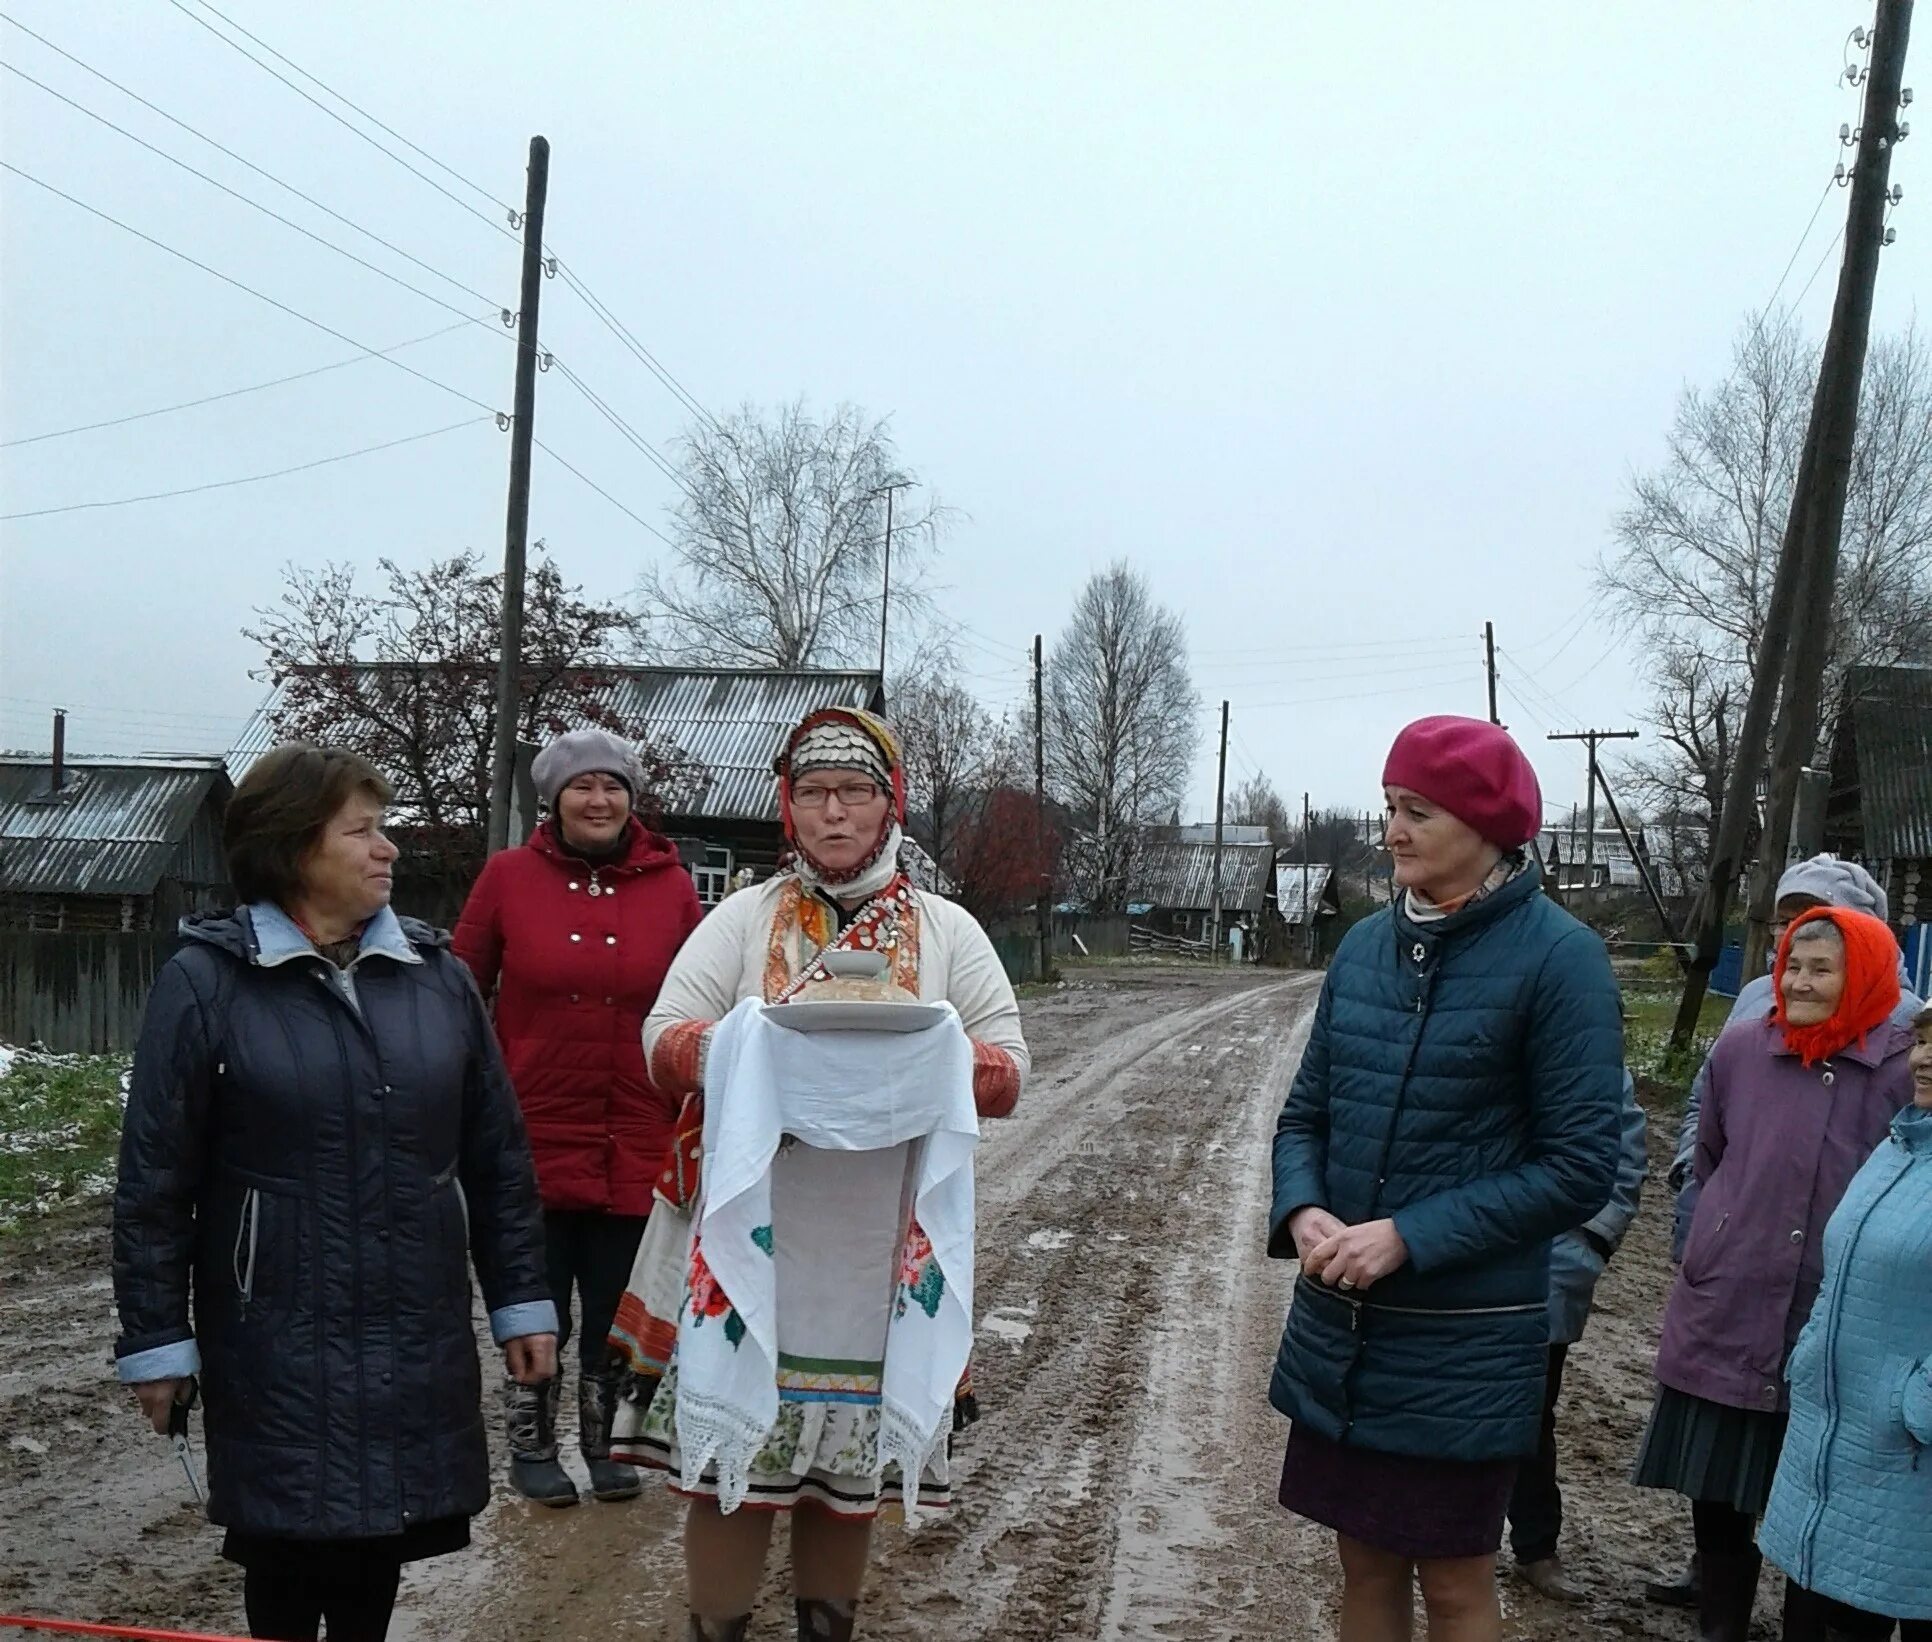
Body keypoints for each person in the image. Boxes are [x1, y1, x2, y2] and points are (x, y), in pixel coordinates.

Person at [112, 743, 556, 1642]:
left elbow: (498, 1160)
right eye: (361, 831)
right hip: (275, 1326)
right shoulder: (206, 982)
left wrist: (522, 1303)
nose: (386, 848)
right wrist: (157, 1339)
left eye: (382, 829)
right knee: (285, 1541)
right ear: (291, 847)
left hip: (411, 1318)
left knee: (377, 1545)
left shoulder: (438, 980)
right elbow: (156, 1180)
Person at [613, 706, 1028, 1642]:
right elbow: (659, 1041)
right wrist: (749, 1050)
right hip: (745, 1231)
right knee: (732, 1480)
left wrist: (925, 1063)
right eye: (813, 794)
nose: (834, 814)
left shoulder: (947, 929)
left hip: (877, 1252)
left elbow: (1008, 1067)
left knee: (845, 1477)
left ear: (892, 807)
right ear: (785, 808)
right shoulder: (743, 916)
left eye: (855, 793)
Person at [1268, 715, 1624, 1642]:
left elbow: (1581, 1166)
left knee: (1459, 1580)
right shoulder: (1363, 948)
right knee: (1364, 1564)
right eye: (1389, 807)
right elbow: (1308, 1113)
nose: (1391, 830)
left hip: (1462, 1341)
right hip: (1346, 1324)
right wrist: (1304, 1209)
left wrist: (1408, 1237)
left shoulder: (1561, 960)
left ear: (1486, 824)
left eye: (1416, 811)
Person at [1646, 856, 1921, 1613]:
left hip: (1840, 1306)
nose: (1796, 979)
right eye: (1789, 958)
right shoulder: (1745, 1042)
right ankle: (1721, 1618)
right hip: (1736, 1288)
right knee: (1720, 1475)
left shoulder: (1905, 1055)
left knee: (1821, 1488)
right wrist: (1706, 1228)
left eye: (1820, 966)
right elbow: (1710, 1150)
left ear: (1865, 957)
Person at [454, 728, 702, 1507]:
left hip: (636, 1130)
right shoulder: (506, 877)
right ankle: (531, 1441)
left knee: (613, 1302)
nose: (599, 800)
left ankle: (607, 1442)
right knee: (532, 1300)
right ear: (553, 798)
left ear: (632, 797)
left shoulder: (673, 888)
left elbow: (701, 1002)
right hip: (528, 1129)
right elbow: (458, 994)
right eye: (581, 786)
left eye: (613, 786)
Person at [1758, 1001, 1932, 1642]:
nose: (1925, 1056)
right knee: (1816, 1607)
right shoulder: (1902, 1144)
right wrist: (1810, 1359)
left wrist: (1918, 1404)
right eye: (1924, 1039)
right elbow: (1843, 1266)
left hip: (1909, 1452)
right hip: (1836, 1437)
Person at [1507, 1064, 1648, 1602]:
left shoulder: (1587, 1048)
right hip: (1455, 1256)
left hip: (1550, 1263)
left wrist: (1590, 1243)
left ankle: (1536, 1545)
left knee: (1531, 1412)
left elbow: (1625, 1152)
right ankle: (1430, 1532)